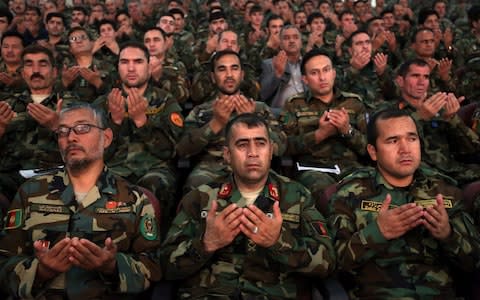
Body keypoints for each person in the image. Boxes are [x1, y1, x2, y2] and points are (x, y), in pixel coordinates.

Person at [162, 113, 335, 299]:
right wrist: (206, 244)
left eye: (260, 143)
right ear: (227, 155)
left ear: (270, 152)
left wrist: (279, 242)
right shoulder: (201, 197)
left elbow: (327, 263)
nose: (252, 152)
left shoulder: (297, 195)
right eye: (242, 145)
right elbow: (164, 265)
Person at [0, 103, 161, 298]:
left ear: (107, 138)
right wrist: (42, 271)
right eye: (62, 131)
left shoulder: (134, 198)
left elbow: (152, 268)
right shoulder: (30, 192)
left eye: (83, 128)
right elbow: (4, 262)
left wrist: (112, 266)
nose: (71, 137)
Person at [328, 108, 480, 299]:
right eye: (393, 141)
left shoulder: (444, 190)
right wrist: (378, 232)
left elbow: (474, 262)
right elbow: (333, 264)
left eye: (411, 138)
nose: (405, 149)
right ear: (373, 152)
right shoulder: (349, 193)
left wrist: (447, 234)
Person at [95, 41, 184, 239]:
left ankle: (151, 245)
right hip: (113, 169)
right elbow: (96, 153)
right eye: (125, 62)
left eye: (138, 61)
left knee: (154, 185)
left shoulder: (165, 101)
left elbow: (171, 151)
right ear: (118, 67)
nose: (132, 68)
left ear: (148, 66)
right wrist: (115, 122)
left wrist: (141, 121)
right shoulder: (104, 102)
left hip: (154, 169)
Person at [177, 49, 285, 194]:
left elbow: (281, 147)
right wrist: (216, 123)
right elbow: (183, 150)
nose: (229, 75)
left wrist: (252, 120)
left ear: (242, 75)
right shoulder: (201, 111)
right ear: (213, 77)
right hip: (212, 169)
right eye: (222, 69)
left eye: (234, 68)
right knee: (196, 188)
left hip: (255, 165)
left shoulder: (260, 108)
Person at [280, 49, 368, 213]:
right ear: (305, 79)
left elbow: (368, 149)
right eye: (314, 73)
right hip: (313, 170)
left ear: (334, 73)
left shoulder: (354, 102)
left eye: (326, 70)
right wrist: (319, 135)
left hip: (351, 169)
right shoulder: (294, 104)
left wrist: (347, 130)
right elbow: (284, 147)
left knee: (370, 197)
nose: (322, 77)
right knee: (330, 198)